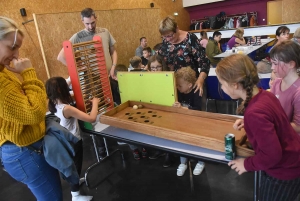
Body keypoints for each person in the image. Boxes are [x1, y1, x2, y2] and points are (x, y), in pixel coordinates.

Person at [216, 54, 300, 201]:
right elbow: (272, 121)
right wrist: (249, 123)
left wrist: (246, 164)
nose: (222, 88)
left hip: (283, 173)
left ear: (235, 84)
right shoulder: (264, 95)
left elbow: (272, 155)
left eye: (222, 83)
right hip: (293, 160)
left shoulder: (255, 113)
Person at [0, 16, 63, 200]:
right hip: (25, 152)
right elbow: (34, 112)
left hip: (26, 148)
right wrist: (28, 73)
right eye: (12, 47)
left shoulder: (3, 72)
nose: (17, 55)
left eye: (18, 47)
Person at [46, 77, 98, 201]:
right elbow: (91, 118)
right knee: (76, 165)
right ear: (61, 89)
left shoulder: (53, 103)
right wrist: (95, 103)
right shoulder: (67, 108)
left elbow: (65, 83)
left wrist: (69, 79)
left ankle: (75, 183)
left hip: (63, 141)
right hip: (73, 142)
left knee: (71, 166)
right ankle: (76, 195)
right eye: (66, 86)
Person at [57, 8, 118, 79]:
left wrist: (113, 66)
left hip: (109, 75)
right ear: (82, 21)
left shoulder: (105, 32)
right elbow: (61, 57)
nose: (90, 26)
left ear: (96, 18)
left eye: (92, 23)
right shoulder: (78, 36)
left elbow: (113, 51)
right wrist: (77, 68)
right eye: (87, 24)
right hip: (93, 80)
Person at [158, 16, 210, 97]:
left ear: (177, 29)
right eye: (164, 36)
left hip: (191, 86)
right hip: (174, 87)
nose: (167, 39)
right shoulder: (165, 41)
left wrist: (200, 80)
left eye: (170, 35)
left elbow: (205, 62)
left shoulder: (190, 38)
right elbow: (160, 61)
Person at [173, 67, 205, 176]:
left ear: (189, 85)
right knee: (182, 141)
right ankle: (183, 163)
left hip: (197, 123)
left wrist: (183, 108)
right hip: (183, 122)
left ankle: (201, 162)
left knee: (198, 142)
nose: (177, 87)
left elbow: (198, 110)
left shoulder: (197, 92)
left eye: (179, 85)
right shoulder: (178, 91)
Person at [269, 41, 300, 134]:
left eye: (275, 63)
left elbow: (298, 127)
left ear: (291, 64)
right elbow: (269, 107)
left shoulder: (298, 92)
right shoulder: (277, 82)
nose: (272, 67)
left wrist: (270, 124)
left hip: (292, 140)